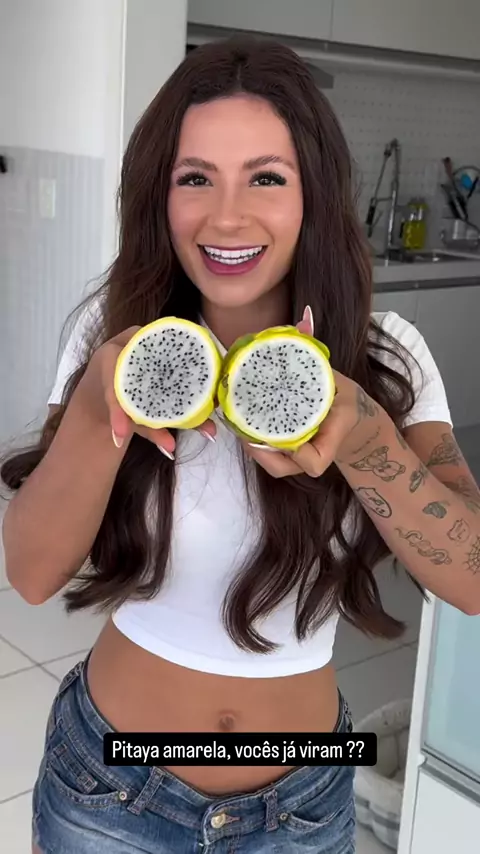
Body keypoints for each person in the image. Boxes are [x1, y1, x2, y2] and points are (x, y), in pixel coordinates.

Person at [2, 37, 480, 854]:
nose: (227, 217)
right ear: (159, 195)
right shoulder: (111, 341)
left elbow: (471, 581)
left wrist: (368, 440)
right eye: (195, 178)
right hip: (111, 786)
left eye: (266, 177)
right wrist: (94, 410)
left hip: (302, 800)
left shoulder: (388, 357)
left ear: (314, 193)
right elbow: (32, 574)